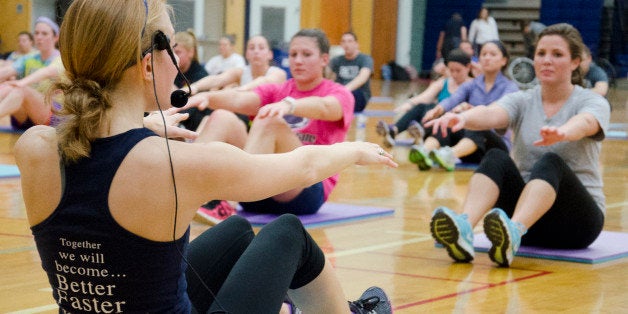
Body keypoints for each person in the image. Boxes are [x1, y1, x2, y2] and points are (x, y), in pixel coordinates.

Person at [15, 1, 397, 313]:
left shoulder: (33, 147)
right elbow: (305, 166)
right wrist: (354, 149)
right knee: (286, 234)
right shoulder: (175, 164)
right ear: (148, 65)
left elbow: (87, 141)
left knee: (235, 232)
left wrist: (142, 124)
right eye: (170, 51)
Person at [425, 23, 609, 267]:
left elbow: (586, 122)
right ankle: (464, 228)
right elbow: (492, 113)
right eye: (541, 54)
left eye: (557, 55)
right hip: (531, 222)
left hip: (576, 225)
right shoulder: (523, 99)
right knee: (495, 156)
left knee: (551, 160)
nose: (546, 60)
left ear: (575, 62)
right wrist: (462, 118)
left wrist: (563, 132)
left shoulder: (590, 100)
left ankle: (513, 232)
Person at [186, 28, 356, 224]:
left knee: (269, 120)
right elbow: (239, 99)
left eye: (306, 54)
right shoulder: (278, 90)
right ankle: (187, 191)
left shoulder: (339, 93)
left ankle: (227, 205)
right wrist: (206, 96)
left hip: (303, 190)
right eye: (293, 54)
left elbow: (325, 107)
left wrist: (289, 104)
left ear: (324, 59)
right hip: (258, 191)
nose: (298, 60)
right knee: (222, 116)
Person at [410, 40, 518, 171]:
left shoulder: (510, 87)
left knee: (480, 126)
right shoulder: (472, 84)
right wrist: (439, 109)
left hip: (494, 148)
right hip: (468, 149)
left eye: (493, 54)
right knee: (446, 120)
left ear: (504, 60)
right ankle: (424, 151)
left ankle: (450, 155)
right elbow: (453, 99)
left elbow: (496, 111)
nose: (487, 58)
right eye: (484, 54)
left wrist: (472, 112)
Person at [190, 35, 288, 144]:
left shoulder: (278, 73)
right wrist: (193, 87)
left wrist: (240, 90)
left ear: (270, 54)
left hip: (265, 131)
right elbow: (217, 79)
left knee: (221, 116)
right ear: (246, 54)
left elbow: (263, 81)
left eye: (261, 48)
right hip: (243, 129)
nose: (256, 51)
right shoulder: (241, 72)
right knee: (209, 118)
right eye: (251, 48)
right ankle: (194, 147)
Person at [376, 49, 473, 148]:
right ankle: (394, 131)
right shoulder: (444, 82)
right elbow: (425, 96)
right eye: (451, 70)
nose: (454, 74)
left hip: (453, 126)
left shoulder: (473, 85)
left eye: (458, 71)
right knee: (423, 106)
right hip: (434, 120)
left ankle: (421, 133)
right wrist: (409, 104)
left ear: (468, 68)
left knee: (436, 110)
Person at [0, 17, 62, 130]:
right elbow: (6, 71)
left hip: (54, 115)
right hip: (28, 115)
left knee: (21, 88)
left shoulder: (60, 59)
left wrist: (21, 82)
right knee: (9, 86)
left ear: (55, 37)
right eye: (36, 33)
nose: (39, 37)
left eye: (44, 34)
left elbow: (47, 72)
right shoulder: (29, 58)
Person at [329, 31, 374, 113]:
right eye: (343, 41)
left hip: (359, 95)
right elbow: (328, 78)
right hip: (340, 95)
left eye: (350, 41)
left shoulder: (365, 59)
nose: (347, 44)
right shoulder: (336, 60)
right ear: (341, 45)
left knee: (353, 94)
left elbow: (362, 78)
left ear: (356, 44)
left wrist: (344, 90)